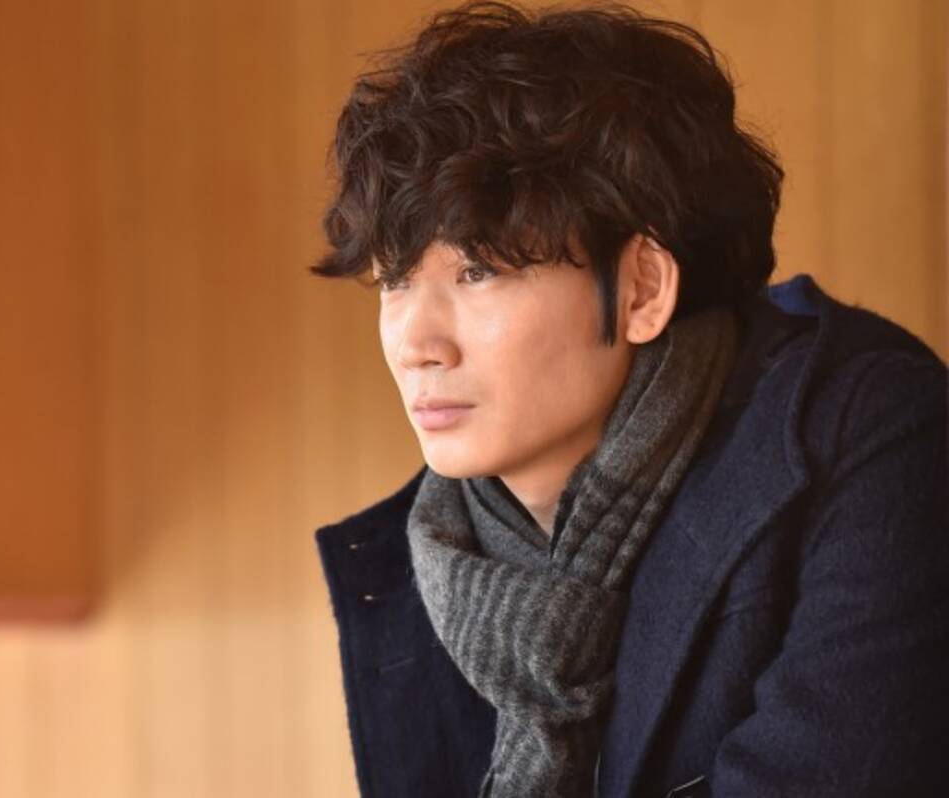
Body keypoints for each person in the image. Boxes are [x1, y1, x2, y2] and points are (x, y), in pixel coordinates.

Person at [308, 2, 949, 797]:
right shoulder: (430, 557)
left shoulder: (874, 437)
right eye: (395, 280)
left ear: (643, 287)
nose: (415, 345)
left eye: (478, 272)